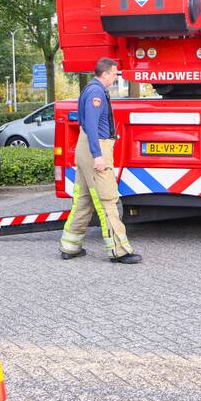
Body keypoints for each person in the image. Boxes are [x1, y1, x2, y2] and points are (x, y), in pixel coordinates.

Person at [59, 57, 142, 264]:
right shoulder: (96, 92)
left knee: (83, 200)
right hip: (95, 148)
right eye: (114, 74)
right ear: (105, 73)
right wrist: (98, 155)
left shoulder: (90, 89)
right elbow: (92, 125)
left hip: (85, 147)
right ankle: (120, 251)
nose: (115, 77)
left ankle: (69, 246)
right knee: (107, 199)